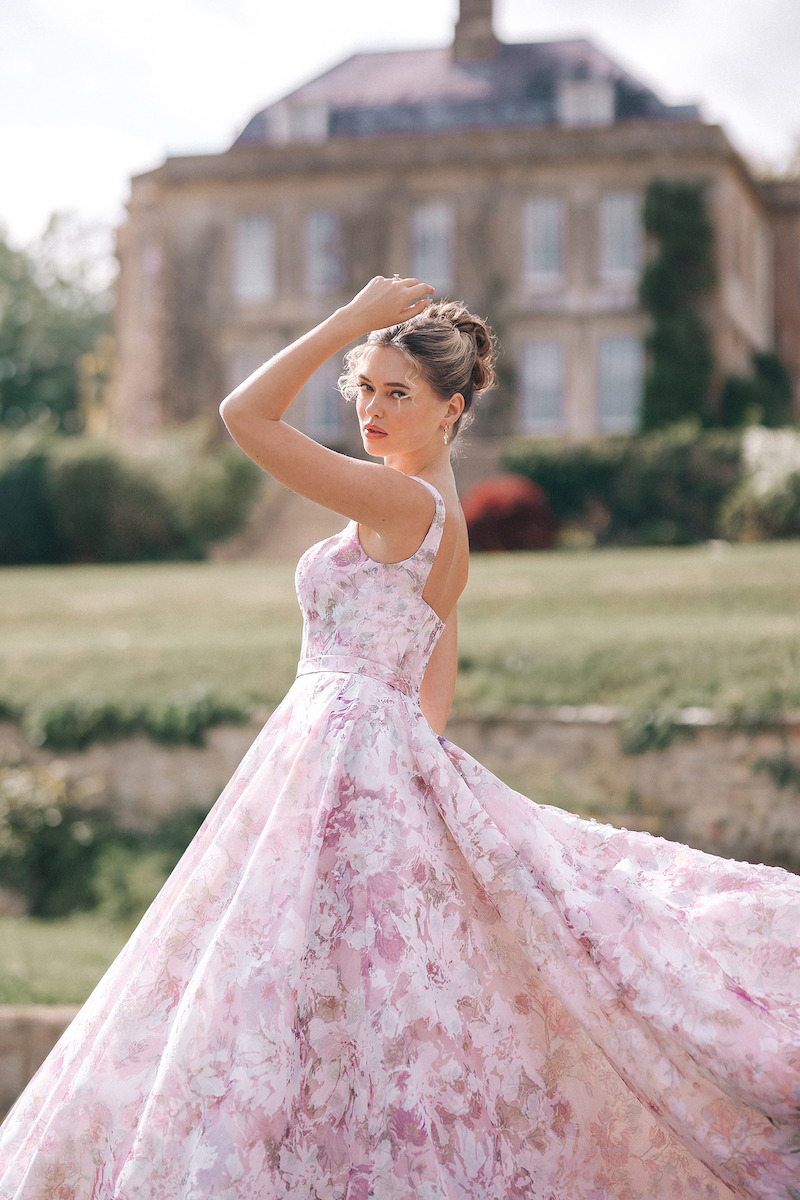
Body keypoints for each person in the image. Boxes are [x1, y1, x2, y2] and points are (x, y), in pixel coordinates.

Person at [0, 276, 798, 1200]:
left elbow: (243, 416)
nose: (371, 411)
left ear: (452, 409)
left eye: (397, 394)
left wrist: (341, 322)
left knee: (283, 988)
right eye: (365, 388)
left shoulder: (404, 508)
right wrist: (410, 792)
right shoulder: (438, 521)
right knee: (335, 994)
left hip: (337, 757)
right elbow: (434, 685)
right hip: (350, 765)